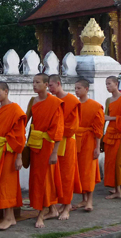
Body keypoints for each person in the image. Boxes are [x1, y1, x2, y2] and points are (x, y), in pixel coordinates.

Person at [27, 73, 64, 228]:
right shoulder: (33, 100)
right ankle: (52, 209)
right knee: (37, 179)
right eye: (33, 82)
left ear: (46, 85)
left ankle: (41, 215)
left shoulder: (55, 102)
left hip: (48, 145)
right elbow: (25, 121)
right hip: (35, 144)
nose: (34, 85)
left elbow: (58, 129)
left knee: (45, 179)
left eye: (38, 82)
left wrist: (55, 152)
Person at [0, 82, 26, 230]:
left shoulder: (15, 110)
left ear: (6, 91)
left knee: (7, 185)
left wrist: (19, 157)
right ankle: (8, 217)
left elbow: (20, 136)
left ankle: (9, 218)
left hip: (11, 152)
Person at [48, 75, 82, 220]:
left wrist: (57, 132)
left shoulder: (72, 101)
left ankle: (67, 205)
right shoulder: (51, 101)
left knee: (67, 174)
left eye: (51, 85)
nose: (49, 89)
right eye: (48, 86)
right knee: (56, 174)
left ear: (58, 83)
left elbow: (73, 126)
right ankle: (59, 203)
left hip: (67, 141)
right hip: (52, 141)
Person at [73, 79, 105, 212]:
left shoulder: (95, 106)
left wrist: (97, 147)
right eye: (75, 88)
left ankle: (90, 201)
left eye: (79, 88)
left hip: (89, 141)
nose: (76, 91)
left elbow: (98, 129)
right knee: (79, 171)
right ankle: (83, 199)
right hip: (75, 140)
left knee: (88, 171)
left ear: (86, 89)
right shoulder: (74, 105)